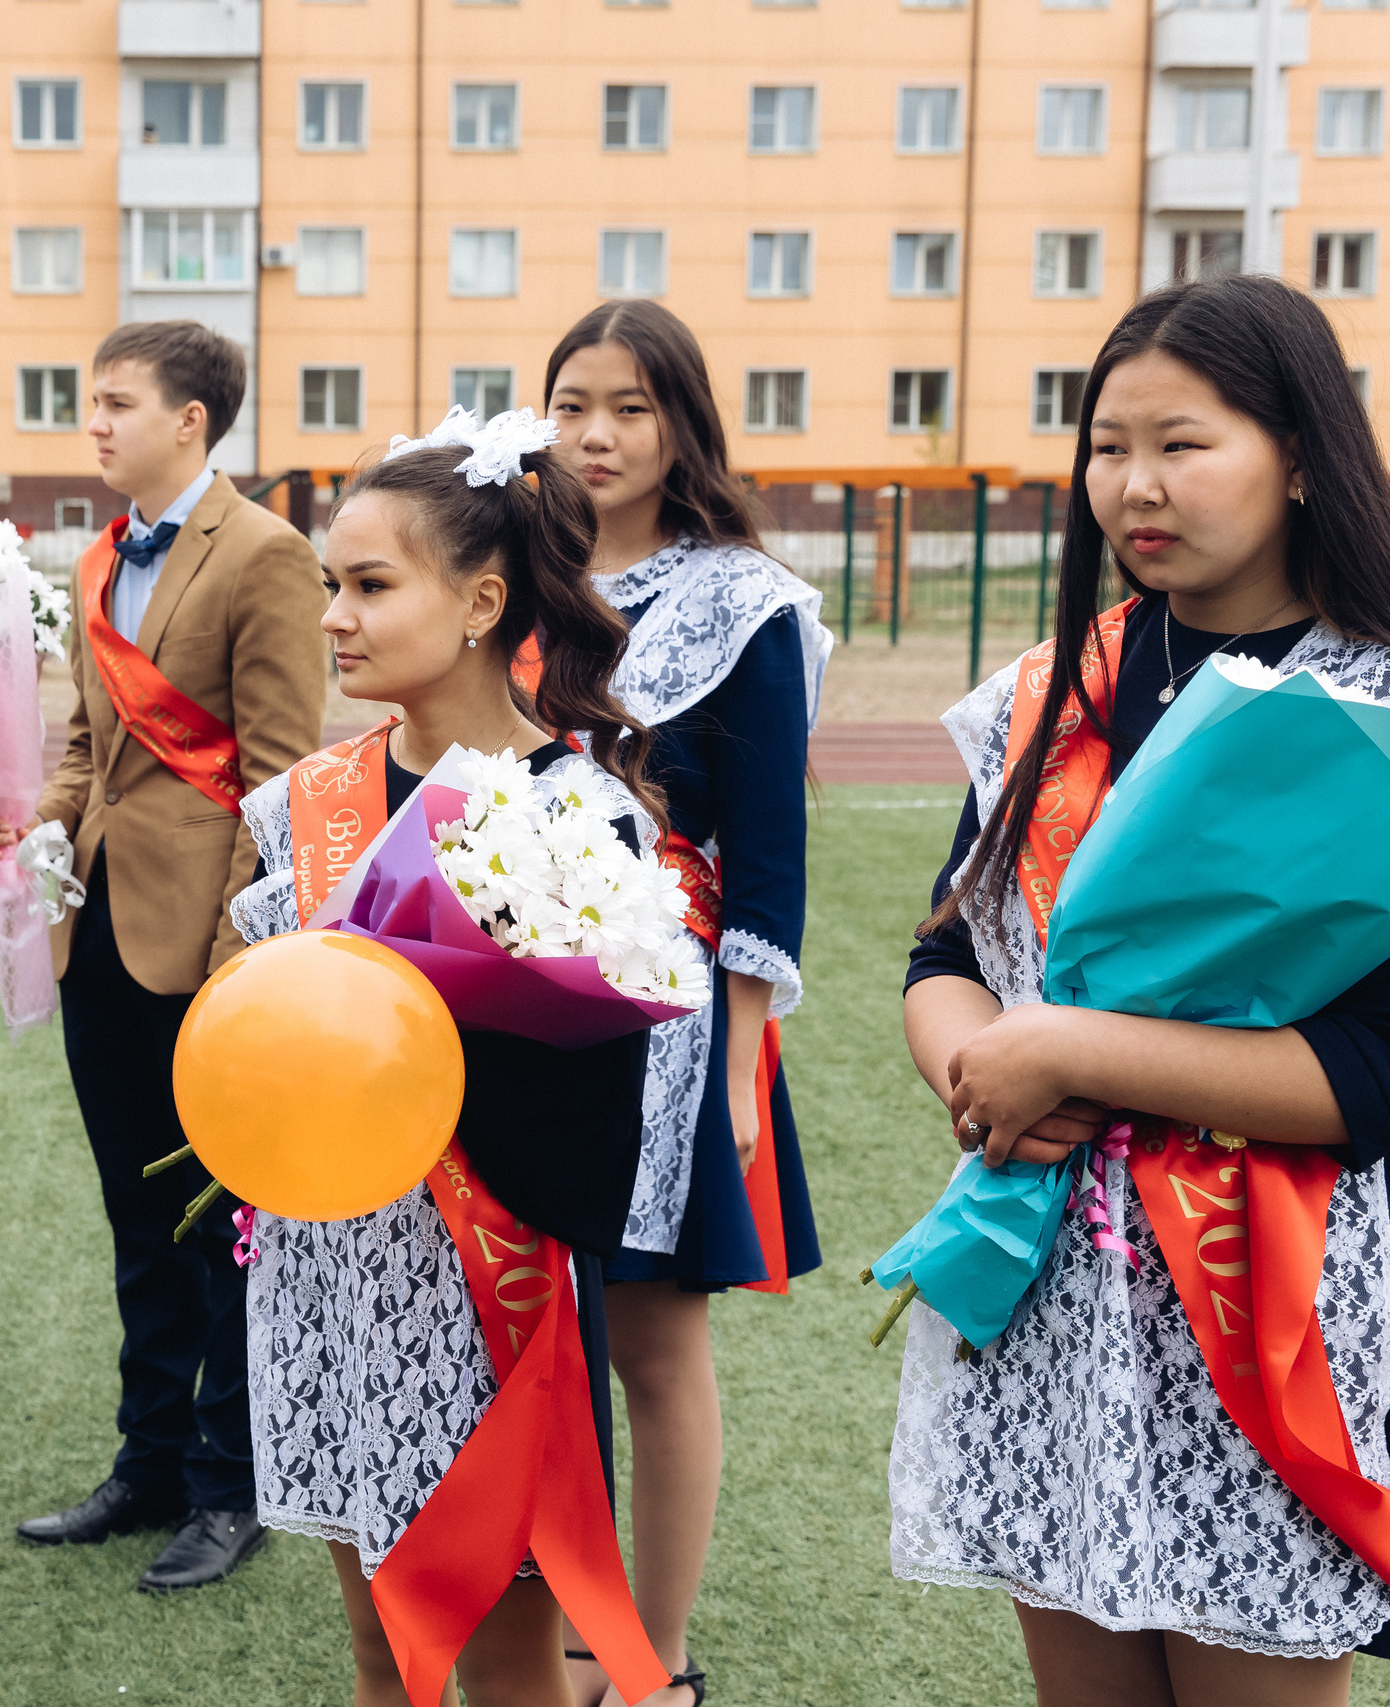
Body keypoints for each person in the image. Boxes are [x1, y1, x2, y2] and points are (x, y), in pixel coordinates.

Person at [896, 276, 1390, 1699]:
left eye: (1184, 443)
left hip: (1264, 1291)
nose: (1134, 486)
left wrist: (1068, 1050)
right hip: (1049, 1284)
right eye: (1106, 446)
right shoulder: (1062, 686)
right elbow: (946, 958)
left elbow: (1384, 1075)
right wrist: (978, 1064)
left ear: (1300, 454)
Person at [225, 423, 663, 1706]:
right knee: (378, 1649)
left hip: (484, 1294)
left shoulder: (576, 818)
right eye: (328, 586)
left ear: (481, 603)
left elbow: (598, 1105)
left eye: (369, 586)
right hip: (331, 1273)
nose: (333, 619)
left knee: (495, 1660)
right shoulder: (306, 800)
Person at [0, 321, 327, 1592]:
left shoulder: (269, 554)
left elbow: (284, 772)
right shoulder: (93, 561)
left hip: (210, 947)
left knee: (223, 1217)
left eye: (117, 403)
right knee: (138, 1214)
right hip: (101, 929)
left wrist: (242, 946)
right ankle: (146, 1460)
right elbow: (90, 751)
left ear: (191, 420)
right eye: (92, 401)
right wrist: (44, 835)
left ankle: (230, 1486)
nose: (96, 423)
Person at [542, 301, 827, 1707]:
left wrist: (736, 1074)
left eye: (633, 407)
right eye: (574, 402)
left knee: (653, 1337)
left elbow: (769, 853)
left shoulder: (742, 600)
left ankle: (649, 1654)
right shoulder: (506, 571)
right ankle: (550, 1625)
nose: (597, 433)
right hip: (514, 1002)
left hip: (670, 1016)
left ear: (683, 426)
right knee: (532, 1321)